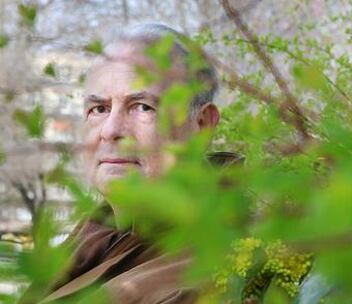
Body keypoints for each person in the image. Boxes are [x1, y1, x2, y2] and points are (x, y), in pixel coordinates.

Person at [18, 24, 243, 304]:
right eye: (99, 109)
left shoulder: (235, 262)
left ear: (201, 125)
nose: (111, 130)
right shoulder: (94, 235)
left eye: (142, 107)